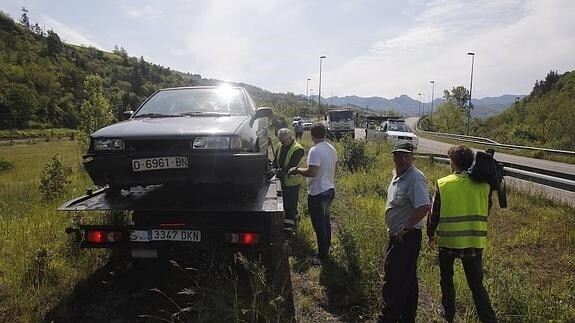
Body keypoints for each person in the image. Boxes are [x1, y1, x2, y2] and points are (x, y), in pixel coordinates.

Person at [427, 145, 497, 323]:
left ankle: (449, 314)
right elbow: (486, 209)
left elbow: (434, 214)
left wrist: (430, 234)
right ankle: (489, 319)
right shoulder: (484, 186)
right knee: (476, 286)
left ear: (453, 162)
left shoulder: (443, 183)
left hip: (448, 242)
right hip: (474, 242)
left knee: (446, 280)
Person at [378, 141, 430, 323]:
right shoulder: (397, 175)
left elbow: (424, 206)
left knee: (394, 278)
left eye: (405, 155)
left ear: (412, 157)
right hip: (398, 235)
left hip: (407, 236)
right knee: (407, 279)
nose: (401, 159)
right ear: (393, 156)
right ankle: (407, 317)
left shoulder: (415, 177)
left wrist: (406, 227)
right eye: (397, 155)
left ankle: (387, 318)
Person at [289, 123, 337, 265]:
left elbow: (312, 172)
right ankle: (326, 249)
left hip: (318, 193)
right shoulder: (332, 148)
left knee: (319, 225)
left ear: (311, 134)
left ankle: (321, 257)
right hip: (329, 190)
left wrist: (297, 170)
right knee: (325, 221)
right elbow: (336, 169)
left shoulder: (315, 150)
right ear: (325, 133)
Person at [273, 128, 305, 233]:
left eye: (284, 141)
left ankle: (289, 227)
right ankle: (295, 217)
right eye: (280, 141)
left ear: (290, 137)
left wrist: (279, 172)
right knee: (286, 201)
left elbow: (292, 166)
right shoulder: (280, 145)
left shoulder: (298, 149)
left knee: (290, 203)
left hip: (292, 181)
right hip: (282, 180)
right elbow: (275, 161)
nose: (282, 143)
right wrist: (273, 168)